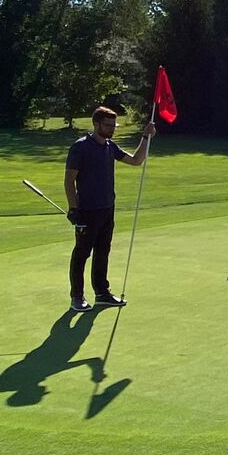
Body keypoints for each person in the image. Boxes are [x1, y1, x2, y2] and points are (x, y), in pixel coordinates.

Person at [64, 104, 151, 311]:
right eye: (108, 125)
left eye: (114, 125)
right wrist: (73, 209)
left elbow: (136, 161)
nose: (112, 129)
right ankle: (77, 296)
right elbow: (69, 180)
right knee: (82, 253)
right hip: (87, 210)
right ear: (96, 124)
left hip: (107, 208)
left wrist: (146, 137)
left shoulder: (110, 146)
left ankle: (102, 293)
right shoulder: (81, 146)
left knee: (103, 252)